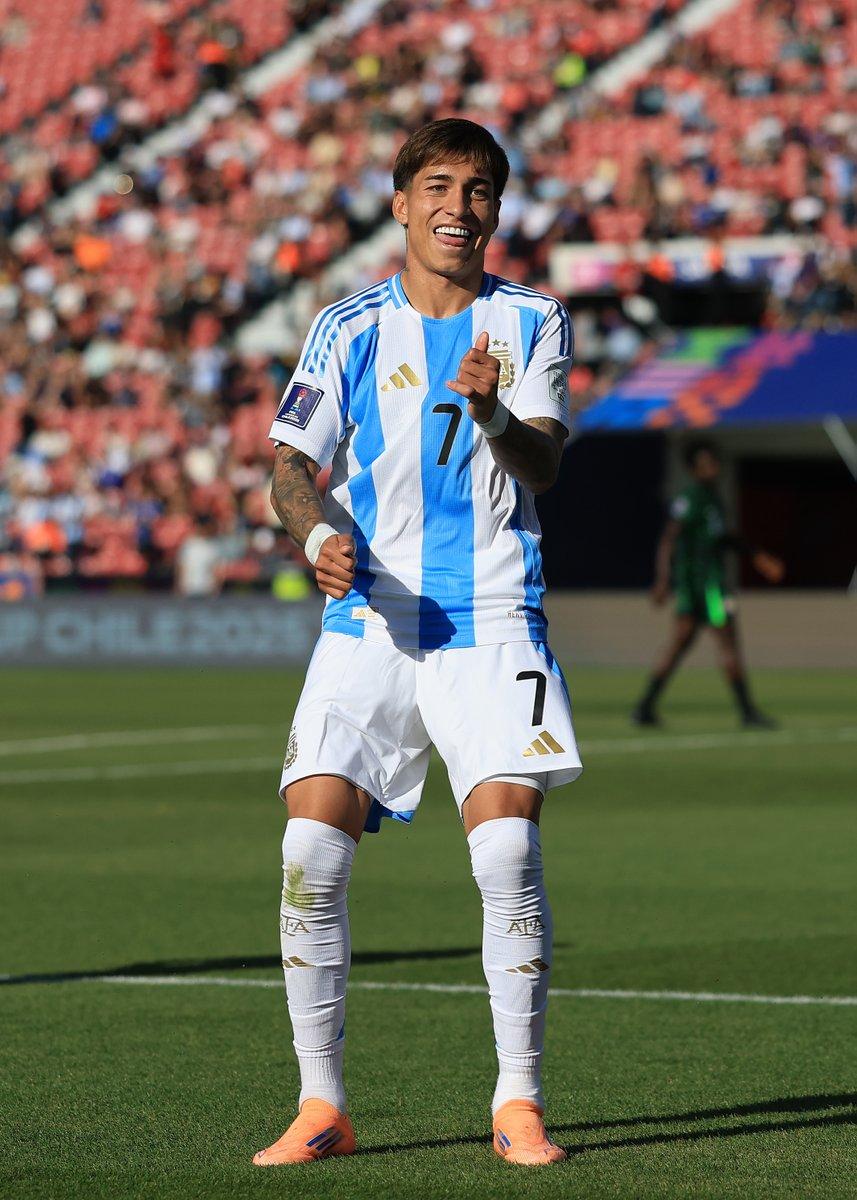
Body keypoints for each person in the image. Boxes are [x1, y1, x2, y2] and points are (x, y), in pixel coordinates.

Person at [254, 118, 581, 1169]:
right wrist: (313, 532)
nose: (458, 206)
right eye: (436, 186)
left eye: (478, 189)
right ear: (399, 204)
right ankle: (320, 1105)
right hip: (369, 623)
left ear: (496, 208)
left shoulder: (532, 321)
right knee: (308, 850)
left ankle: (517, 1103)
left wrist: (489, 414)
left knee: (506, 850)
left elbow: (539, 466)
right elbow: (287, 467)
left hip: (490, 619)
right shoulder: (346, 329)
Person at [632, 438, 784, 728]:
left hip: (702, 585)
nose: (713, 468)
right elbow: (669, 539)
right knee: (727, 641)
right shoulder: (691, 498)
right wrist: (663, 579)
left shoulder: (712, 498)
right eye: (706, 463)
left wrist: (757, 556)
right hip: (705, 586)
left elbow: (724, 537)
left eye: (714, 462)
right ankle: (747, 712)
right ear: (693, 469)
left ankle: (645, 707)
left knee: (680, 643)